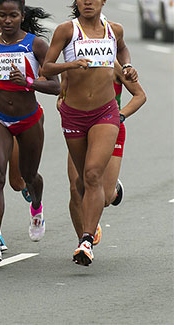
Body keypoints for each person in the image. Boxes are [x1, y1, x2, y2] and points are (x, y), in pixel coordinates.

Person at [43, 0, 138, 266]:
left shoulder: (114, 30)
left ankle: (86, 240)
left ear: (103, 1)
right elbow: (47, 67)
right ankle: (90, 222)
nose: (87, 1)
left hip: (105, 113)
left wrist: (129, 65)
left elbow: (121, 48)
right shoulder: (66, 31)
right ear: (76, 1)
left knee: (94, 174)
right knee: (81, 182)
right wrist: (70, 65)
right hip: (73, 114)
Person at [0, 0, 60, 263]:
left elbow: (56, 86)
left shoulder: (35, 45)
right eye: (2, 15)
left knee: (29, 175)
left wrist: (28, 82)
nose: (7, 20)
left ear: (22, 16)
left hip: (29, 119)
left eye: (13, 15)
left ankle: (36, 205)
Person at [61, 62, 146, 245]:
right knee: (76, 188)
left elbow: (140, 96)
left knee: (105, 197)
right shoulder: (72, 63)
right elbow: (62, 97)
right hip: (79, 127)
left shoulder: (113, 64)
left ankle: (114, 190)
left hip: (109, 127)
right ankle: (84, 242)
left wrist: (120, 115)